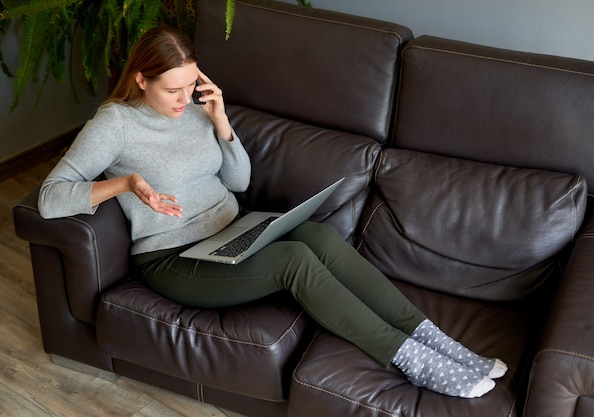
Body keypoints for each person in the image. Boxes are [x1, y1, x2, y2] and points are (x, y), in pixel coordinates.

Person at [38, 26, 506, 398]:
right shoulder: (115, 124)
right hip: (173, 259)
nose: (184, 100)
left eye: (192, 86)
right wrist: (124, 183)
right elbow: (50, 196)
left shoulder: (199, 111)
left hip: (231, 234)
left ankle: (439, 341)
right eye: (172, 90)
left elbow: (238, 182)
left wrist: (220, 120)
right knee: (295, 261)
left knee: (320, 237)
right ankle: (410, 360)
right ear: (141, 78)